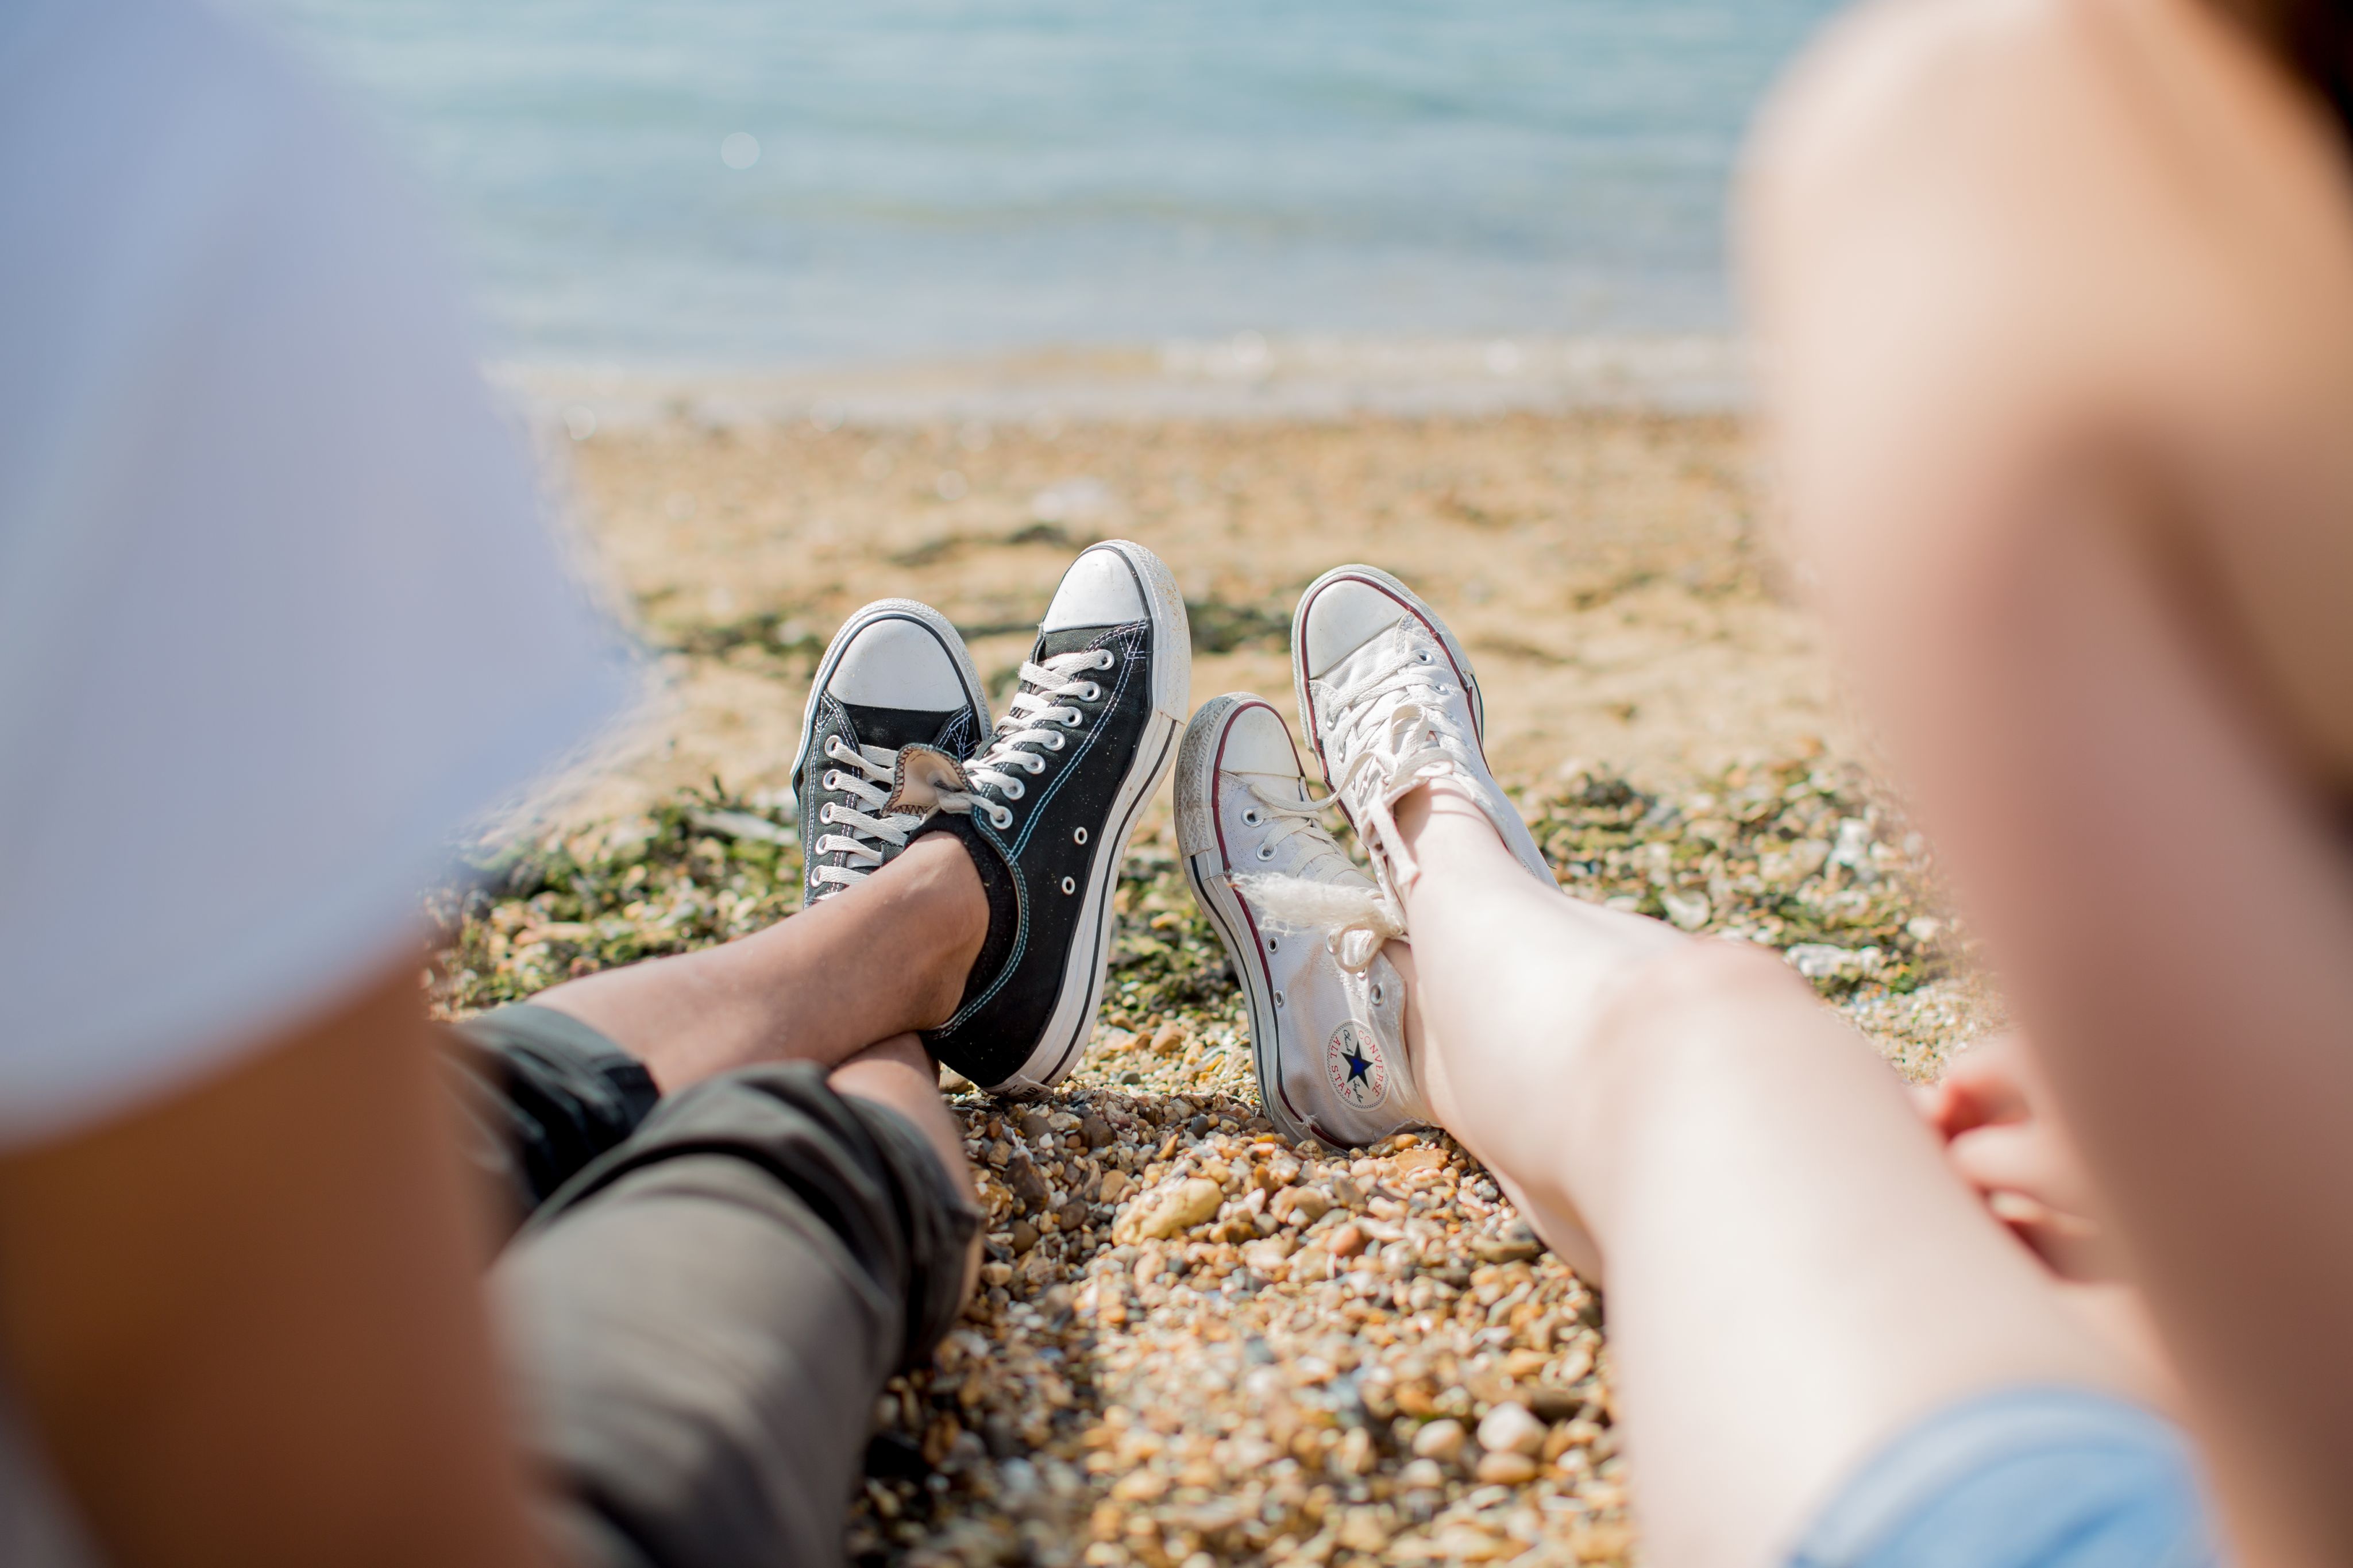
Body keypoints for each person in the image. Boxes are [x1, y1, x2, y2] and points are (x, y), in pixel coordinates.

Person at [0, 0, 1193, 1560]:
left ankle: (915, 927)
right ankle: (943, 928)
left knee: (438, 1108)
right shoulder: (111, 138)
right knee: (777, 1162)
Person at [1170, 1, 2353, 1562]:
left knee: (1712, 1043)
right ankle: (1406, 995)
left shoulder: (1989, 113)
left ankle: (1446, 900)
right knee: (1879, 1162)